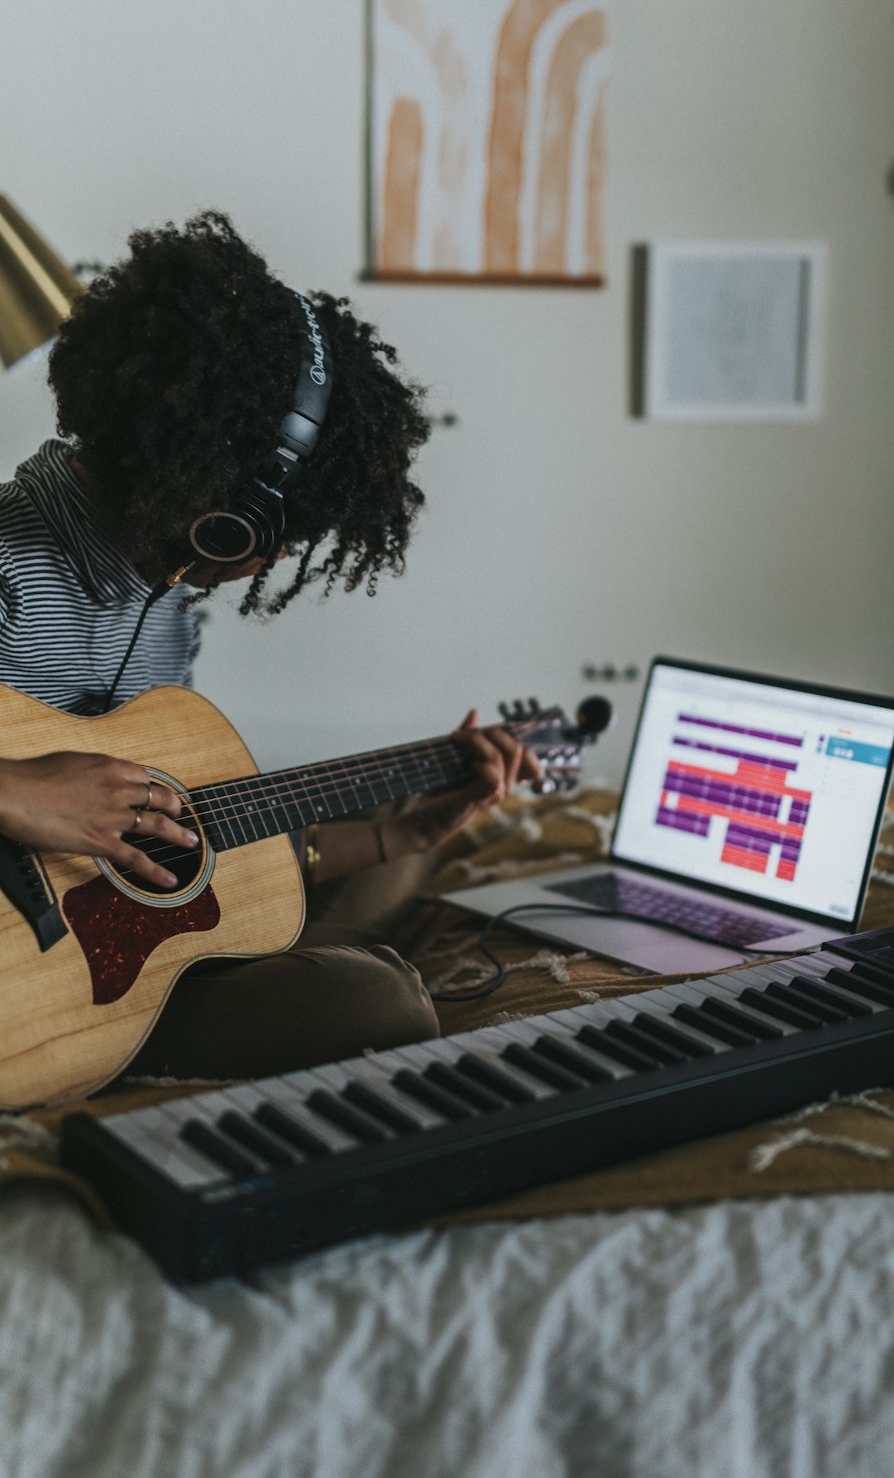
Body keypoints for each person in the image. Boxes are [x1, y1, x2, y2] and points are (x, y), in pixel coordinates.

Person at [0, 210, 539, 1082]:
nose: (277, 558)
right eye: (283, 534)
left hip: (117, 946)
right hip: (30, 995)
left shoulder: (166, 604)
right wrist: (21, 790)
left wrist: (393, 837)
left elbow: (182, 845)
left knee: (409, 856)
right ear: (223, 512)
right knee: (385, 1004)